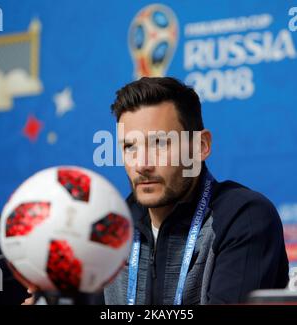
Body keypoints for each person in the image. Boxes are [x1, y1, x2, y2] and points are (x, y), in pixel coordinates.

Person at [103, 76, 289, 305]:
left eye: (160, 143)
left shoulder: (244, 217)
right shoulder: (112, 228)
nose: (142, 164)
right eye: (130, 146)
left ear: (201, 146)